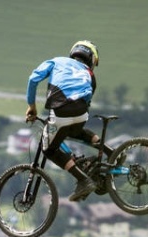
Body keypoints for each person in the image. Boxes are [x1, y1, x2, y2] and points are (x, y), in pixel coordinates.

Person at [25, 40, 111, 202]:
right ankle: (111, 152)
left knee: (48, 150)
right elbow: (87, 98)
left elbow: (33, 79)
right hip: (81, 114)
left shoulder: (56, 61)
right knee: (74, 130)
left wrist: (32, 107)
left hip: (60, 111)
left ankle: (83, 180)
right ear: (91, 59)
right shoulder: (90, 74)